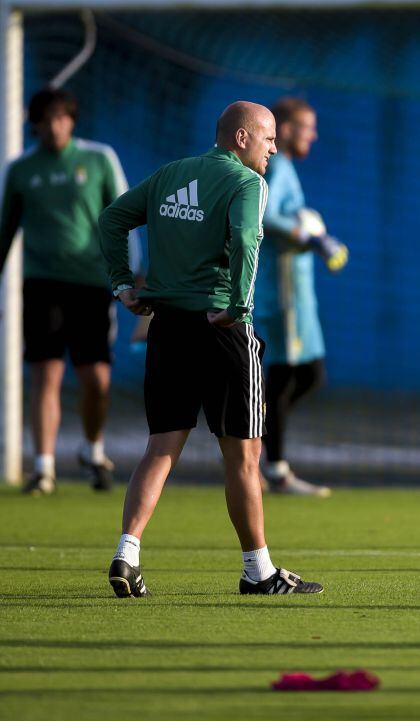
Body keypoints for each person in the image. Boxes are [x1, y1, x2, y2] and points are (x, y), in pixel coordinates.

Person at [97, 101, 322, 597]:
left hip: (168, 328)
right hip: (221, 327)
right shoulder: (247, 184)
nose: (273, 149)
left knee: (160, 448)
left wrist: (122, 284)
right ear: (242, 139)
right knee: (243, 455)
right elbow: (246, 240)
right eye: (267, 140)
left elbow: (113, 219)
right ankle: (257, 570)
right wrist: (239, 306)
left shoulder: (170, 174)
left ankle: (126, 553)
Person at [0, 88, 141, 494]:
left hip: (92, 285)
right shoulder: (21, 170)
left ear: (72, 120)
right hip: (42, 285)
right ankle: (43, 468)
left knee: (96, 378)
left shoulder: (99, 159)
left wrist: (133, 275)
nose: (53, 126)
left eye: (61, 117)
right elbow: (4, 231)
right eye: (45, 119)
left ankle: (92, 450)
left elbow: (125, 216)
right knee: (46, 373)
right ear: (34, 124)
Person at [254, 97, 347, 497]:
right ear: (286, 129)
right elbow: (264, 216)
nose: (314, 134)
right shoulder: (276, 166)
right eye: (307, 126)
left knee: (306, 375)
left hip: (299, 289)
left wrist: (315, 236)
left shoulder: (287, 168)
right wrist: (309, 234)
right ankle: (273, 467)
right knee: (285, 376)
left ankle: (260, 446)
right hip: (283, 289)